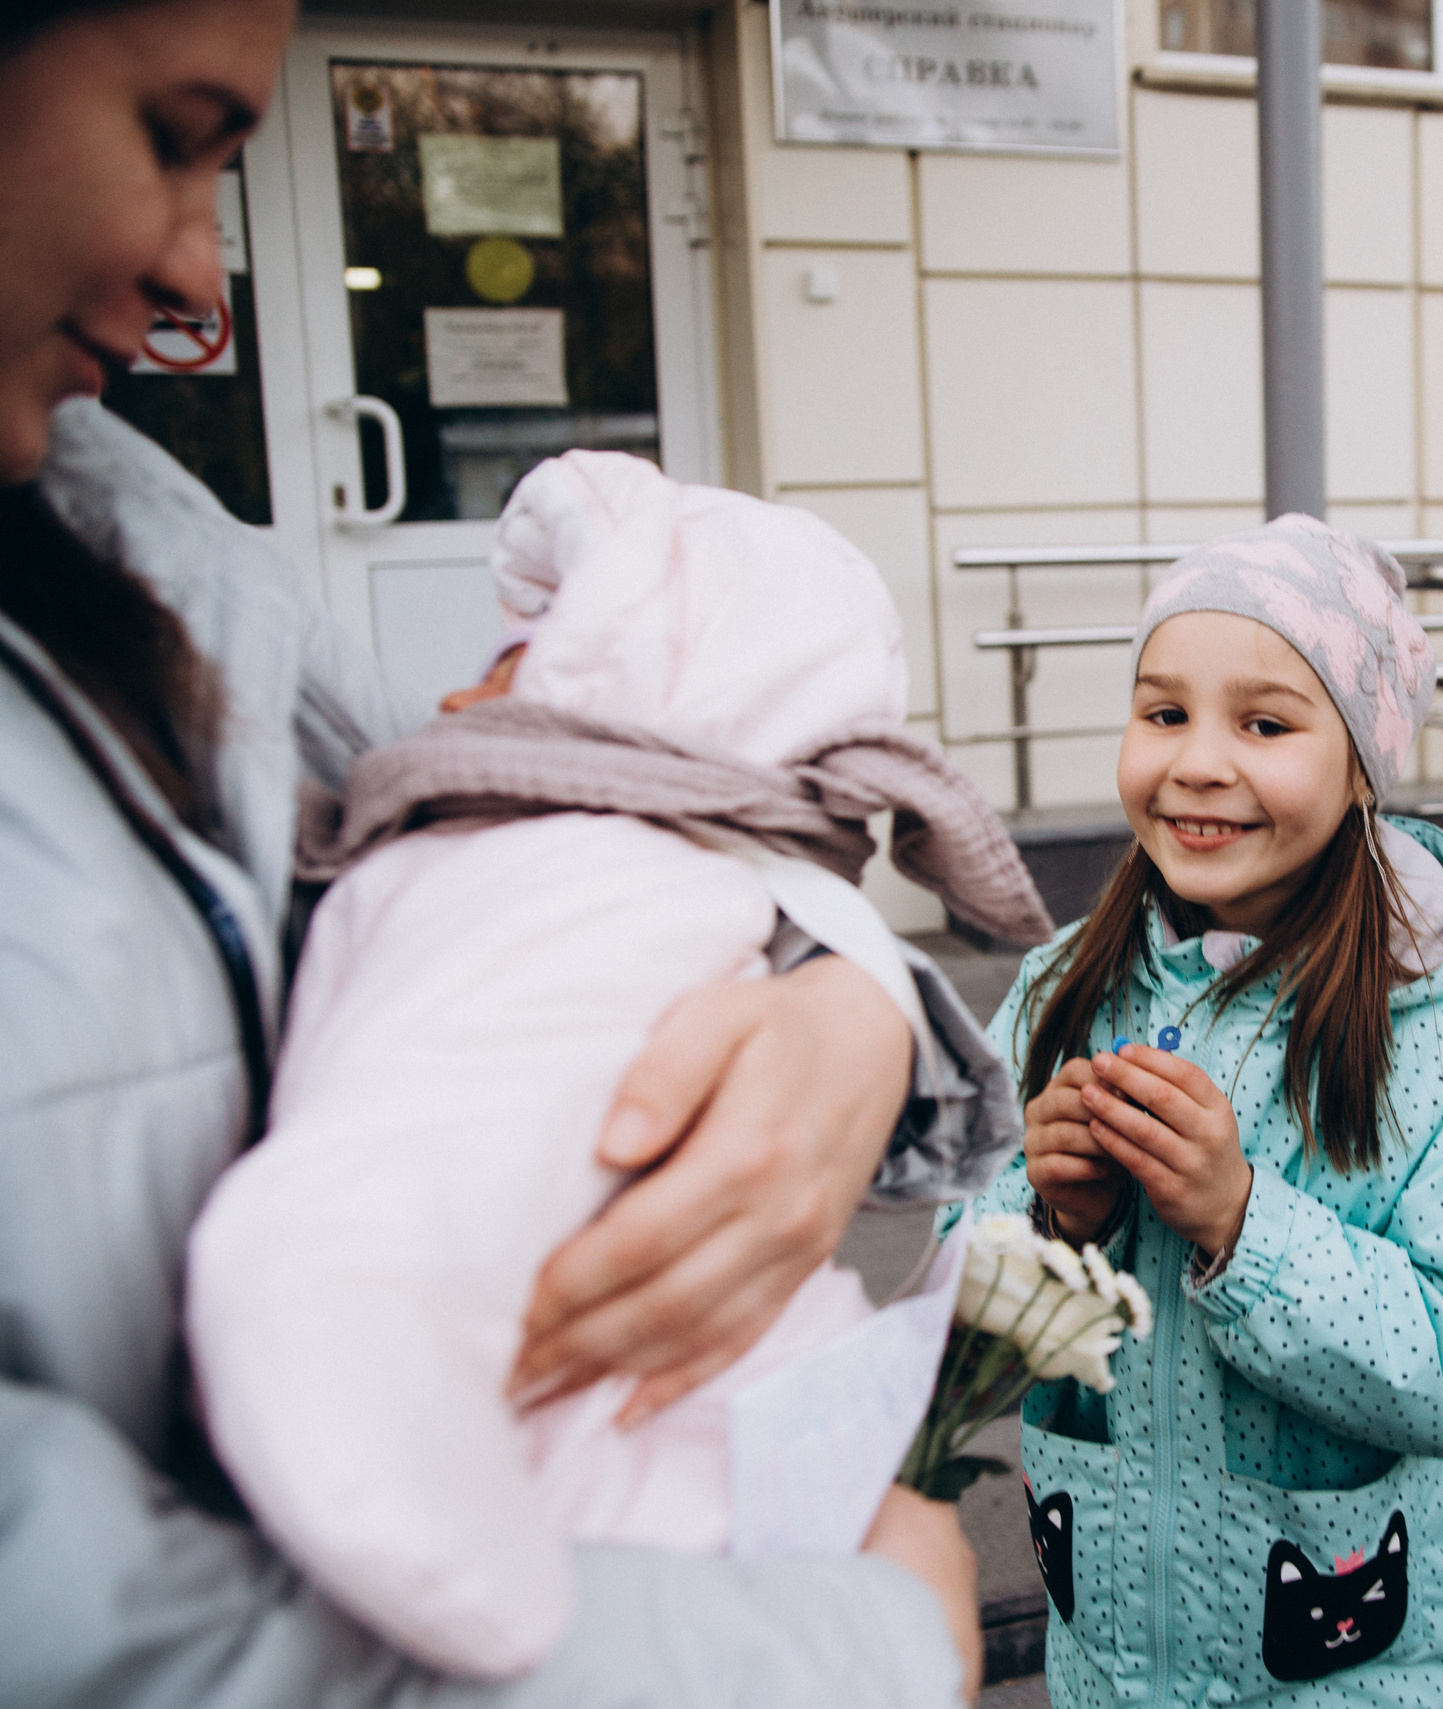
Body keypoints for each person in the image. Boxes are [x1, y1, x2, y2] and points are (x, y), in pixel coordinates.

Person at [0, 4, 980, 1703]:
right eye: (175, 137)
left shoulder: (145, 535)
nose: (201, 289)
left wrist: (852, 1008)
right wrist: (858, 1644)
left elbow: (568, 807)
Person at [185, 450, 1052, 1685]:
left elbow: (327, 1259)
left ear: (625, 682)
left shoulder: (552, 885)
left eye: (508, 659)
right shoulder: (603, 882)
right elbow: (332, 1257)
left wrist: (478, 1576)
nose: (443, 693)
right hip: (675, 1558)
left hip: (635, 1531)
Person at [950, 516, 1443, 1707]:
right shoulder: (1059, 992)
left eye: (1264, 722)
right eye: (1163, 712)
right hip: (1112, 1660)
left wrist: (1240, 1226)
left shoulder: (1440, 1019)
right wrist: (1051, 1219)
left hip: (1346, 1666)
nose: (1197, 761)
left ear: (1360, 758)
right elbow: (958, 1342)